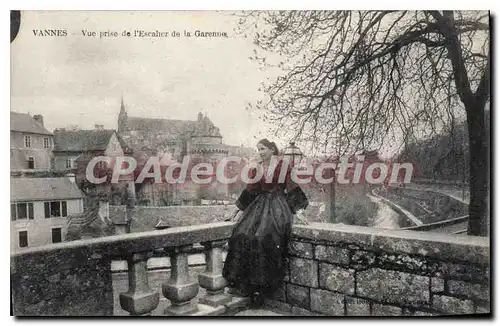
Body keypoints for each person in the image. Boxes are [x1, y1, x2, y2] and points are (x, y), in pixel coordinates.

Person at [222, 139, 309, 307]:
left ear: (271, 149)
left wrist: (299, 211)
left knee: (265, 238)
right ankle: (247, 285)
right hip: (259, 206)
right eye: (258, 149)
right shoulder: (258, 167)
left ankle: (262, 289)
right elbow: (250, 190)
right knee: (241, 234)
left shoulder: (282, 165)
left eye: (262, 149)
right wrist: (235, 211)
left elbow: (291, 187)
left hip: (278, 206)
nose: (260, 152)